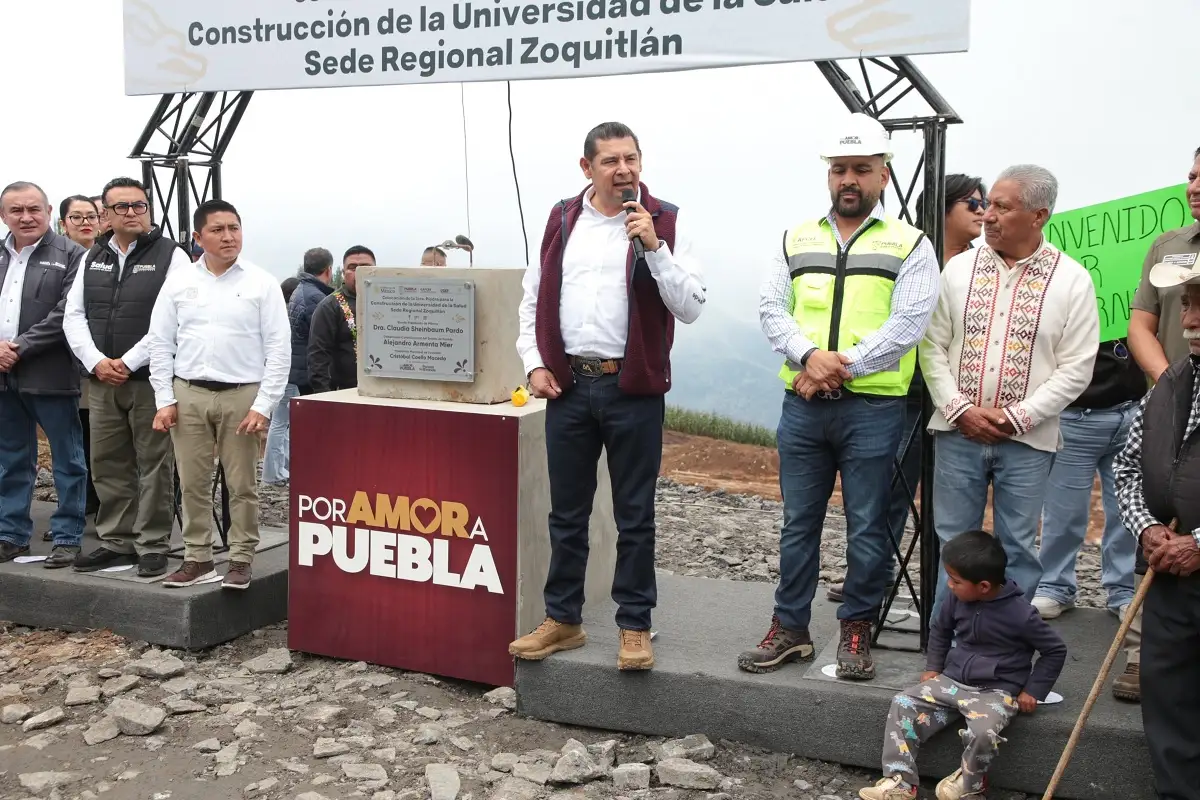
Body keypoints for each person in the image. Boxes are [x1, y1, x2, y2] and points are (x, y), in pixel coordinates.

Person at [739, 113, 939, 680]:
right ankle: (791, 629)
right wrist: (808, 358)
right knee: (797, 522)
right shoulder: (794, 238)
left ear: (883, 174)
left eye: (861, 169)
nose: (849, 179)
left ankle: (857, 630)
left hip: (874, 409)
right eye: (839, 169)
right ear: (829, 175)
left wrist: (836, 367)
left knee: (868, 523)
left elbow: (908, 324)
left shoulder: (912, 244)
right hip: (802, 407)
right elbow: (772, 310)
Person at [510, 121, 706, 670]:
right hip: (569, 385)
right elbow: (534, 299)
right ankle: (563, 619)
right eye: (611, 162)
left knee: (634, 513)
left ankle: (635, 625)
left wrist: (654, 248)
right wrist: (534, 364)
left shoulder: (665, 220)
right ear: (587, 167)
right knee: (566, 512)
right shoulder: (563, 220)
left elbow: (690, 306)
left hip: (633, 387)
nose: (624, 171)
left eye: (632, 159)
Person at [920, 164, 1100, 610]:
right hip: (957, 432)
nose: (988, 216)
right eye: (986, 206)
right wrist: (960, 410)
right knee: (954, 542)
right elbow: (931, 346)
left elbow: (1077, 368)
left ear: (1038, 216)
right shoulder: (957, 271)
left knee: (1017, 545)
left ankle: (1004, 648)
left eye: (1002, 207)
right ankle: (948, 647)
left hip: (1028, 440)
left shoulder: (1071, 280)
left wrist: (1017, 417)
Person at [827, 174, 987, 605]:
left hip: (961, 396)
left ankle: (950, 588)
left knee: (950, 501)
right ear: (942, 206)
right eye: (972, 202)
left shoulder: (983, 264)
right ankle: (871, 575)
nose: (981, 210)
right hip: (906, 390)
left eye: (984, 202)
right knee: (890, 489)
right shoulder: (908, 250)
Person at [858, 530, 1066, 800]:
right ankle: (900, 781)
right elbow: (940, 630)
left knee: (983, 731)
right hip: (952, 682)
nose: (950, 585)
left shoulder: (1022, 615)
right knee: (903, 703)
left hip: (995, 691)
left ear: (983, 586)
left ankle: (970, 785)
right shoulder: (956, 599)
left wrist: (1034, 690)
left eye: (955, 580)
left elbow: (1055, 650)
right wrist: (934, 667)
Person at [147, 199, 290, 589]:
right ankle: (198, 557)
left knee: (242, 484)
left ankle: (241, 558)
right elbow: (159, 343)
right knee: (191, 482)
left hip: (241, 395)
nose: (228, 237)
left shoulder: (261, 283)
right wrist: (165, 399)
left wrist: (264, 405)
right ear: (198, 237)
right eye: (217, 229)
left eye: (234, 228)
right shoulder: (179, 283)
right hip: (189, 393)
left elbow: (279, 348)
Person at [62, 177, 190, 577]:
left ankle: (152, 543)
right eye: (122, 207)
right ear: (107, 214)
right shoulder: (93, 256)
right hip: (101, 381)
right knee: (108, 463)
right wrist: (97, 361)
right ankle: (116, 540)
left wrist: (127, 362)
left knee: (154, 464)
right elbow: (74, 315)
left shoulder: (173, 256)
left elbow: (171, 321)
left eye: (139, 205)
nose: (132, 212)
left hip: (152, 380)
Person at [1113, 261, 1200, 799]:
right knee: (1169, 699)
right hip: (1169, 574)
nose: (1189, 318)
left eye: (1199, 303)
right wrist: (1146, 529)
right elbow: (1125, 467)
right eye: (1187, 304)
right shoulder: (1171, 382)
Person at [1117, 146, 1200, 704]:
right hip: (1173, 406)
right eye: (1193, 173)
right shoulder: (1167, 247)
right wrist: (1174, 384)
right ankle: (1145, 653)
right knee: (1160, 534)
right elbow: (1140, 325)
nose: (1194, 184)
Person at [0, 182, 89, 566]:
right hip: (3, 378)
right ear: (4, 216)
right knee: (11, 458)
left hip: (50, 373)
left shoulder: (72, 255)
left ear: (49, 210)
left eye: (33, 209)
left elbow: (66, 313)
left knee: (68, 459)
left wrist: (17, 347)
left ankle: (68, 536)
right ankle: (11, 534)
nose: (26, 217)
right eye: (16, 210)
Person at [1031, 341, 1145, 623]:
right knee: (1064, 511)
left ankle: (1125, 589)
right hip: (1073, 414)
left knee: (1127, 510)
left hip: (1132, 410)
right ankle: (1055, 586)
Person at [262, 248, 334, 485]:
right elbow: (322, 337)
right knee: (281, 423)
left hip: (290, 368)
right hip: (297, 371)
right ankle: (274, 473)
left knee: (283, 423)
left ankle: (282, 468)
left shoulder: (300, 290)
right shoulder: (315, 297)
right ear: (329, 270)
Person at [58, 194, 102, 519]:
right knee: (74, 439)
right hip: (60, 365)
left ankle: (98, 503)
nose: (86, 222)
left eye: (93, 216)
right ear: (63, 223)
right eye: (78, 217)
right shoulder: (57, 259)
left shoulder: (108, 258)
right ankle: (80, 504)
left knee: (95, 437)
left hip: (98, 365)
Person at [309, 245, 374, 394]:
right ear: (344, 273)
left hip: (383, 391)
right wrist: (325, 396)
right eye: (352, 267)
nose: (359, 272)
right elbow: (318, 356)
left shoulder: (389, 302)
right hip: (344, 393)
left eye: (365, 266)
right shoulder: (330, 306)